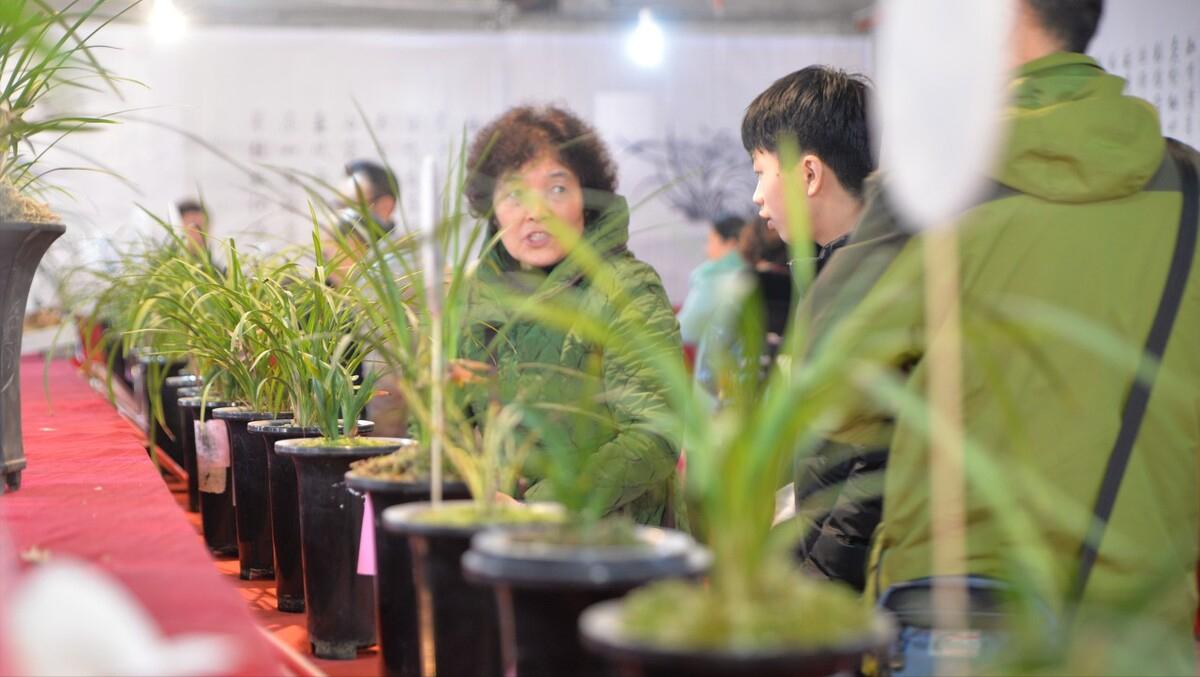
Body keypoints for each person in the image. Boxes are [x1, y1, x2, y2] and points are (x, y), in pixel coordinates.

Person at [806, 0, 1200, 671]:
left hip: (968, 626)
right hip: (1144, 633)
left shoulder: (930, 193)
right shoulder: (1190, 189)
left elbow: (829, 397)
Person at [459, 105, 681, 526]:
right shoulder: (478, 295)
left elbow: (654, 432)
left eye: (557, 189)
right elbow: (445, 413)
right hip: (502, 533)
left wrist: (543, 507)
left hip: (612, 543)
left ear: (587, 199)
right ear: (492, 208)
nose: (535, 211)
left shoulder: (627, 288)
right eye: (513, 193)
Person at [737, 65, 879, 586]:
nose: (757, 197)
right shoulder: (834, 273)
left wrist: (812, 582)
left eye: (760, 171)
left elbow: (871, 465)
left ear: (810, 175)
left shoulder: (872, 283)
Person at [676, 215, 750, 349]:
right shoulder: (755, 273)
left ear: (731, 243)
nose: (706, 248)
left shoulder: (710, 277)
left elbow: (687, 330)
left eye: (710, 240)